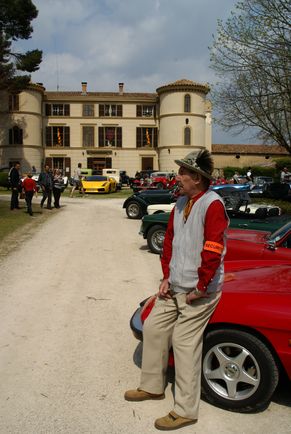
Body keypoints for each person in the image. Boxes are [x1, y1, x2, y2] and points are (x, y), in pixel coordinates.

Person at [124, 150, 229, 431]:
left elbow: (213, 249)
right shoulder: (182, 200)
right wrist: (166, 277)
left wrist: (202, 286)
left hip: (200, 292)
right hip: (175, 286)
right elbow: (170, 241)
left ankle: (185, 410)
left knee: (183, 343)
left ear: (197, 177)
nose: (178, 176)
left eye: (183, 172)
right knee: (154, 328)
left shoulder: (212, 205)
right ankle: (152, 387)